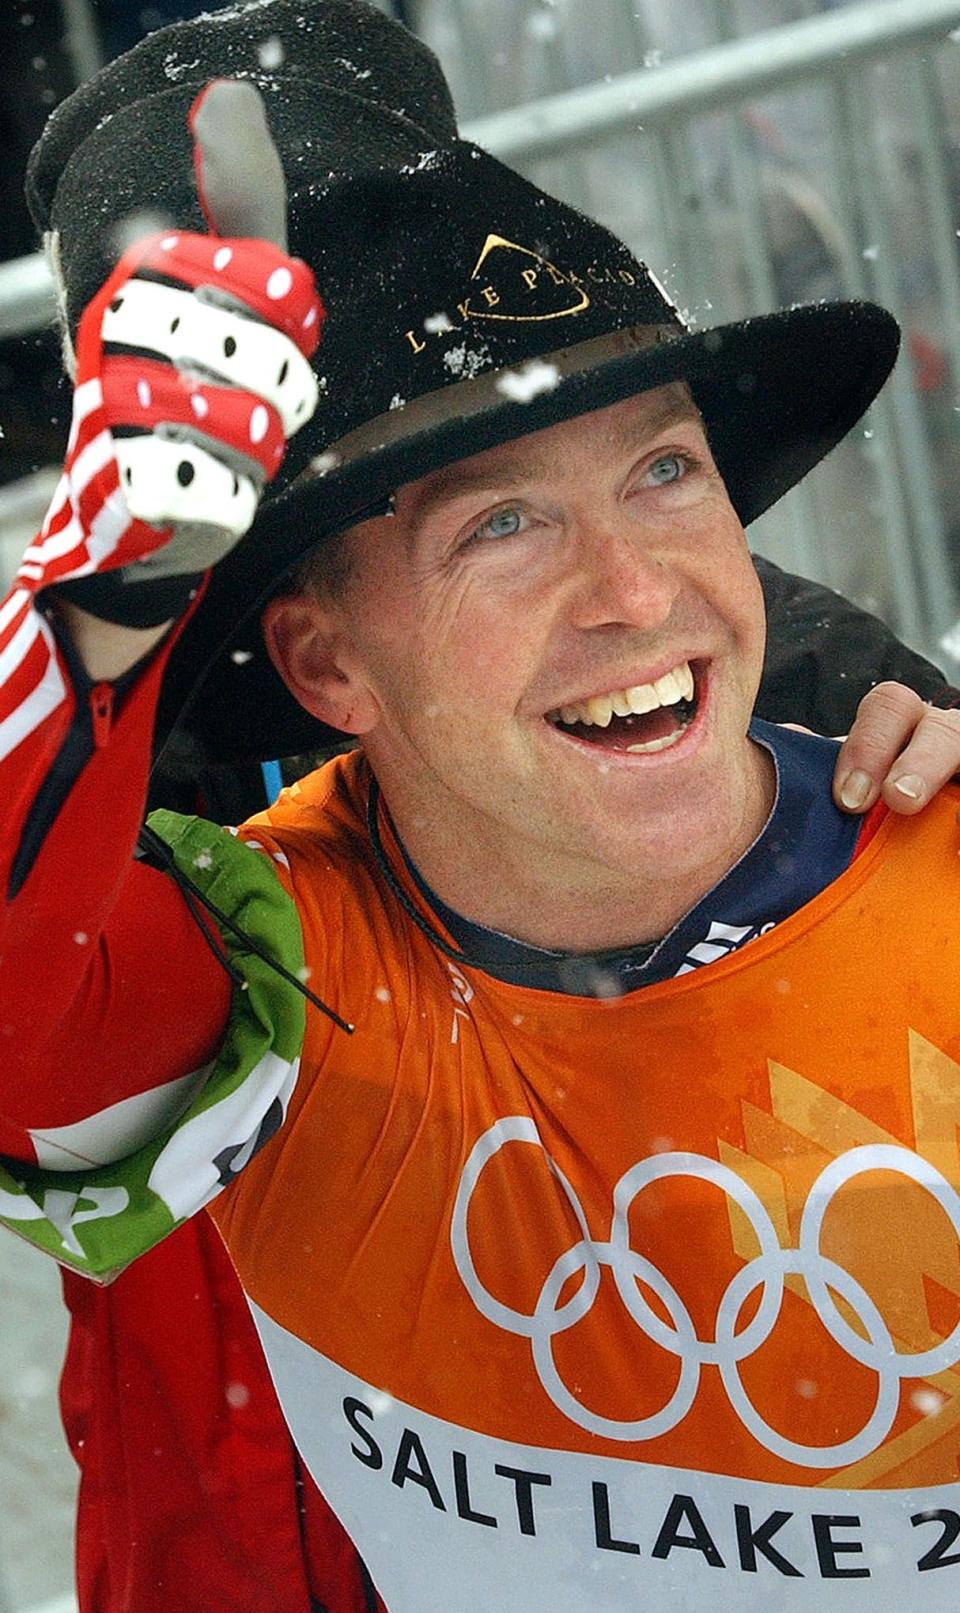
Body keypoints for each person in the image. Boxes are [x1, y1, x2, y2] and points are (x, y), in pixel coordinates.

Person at [4, 2, 960, 1609]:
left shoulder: (804, 693)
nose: (630, 583)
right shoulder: (186, 829)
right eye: (502, 517)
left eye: (667, 470)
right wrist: (91, 614)